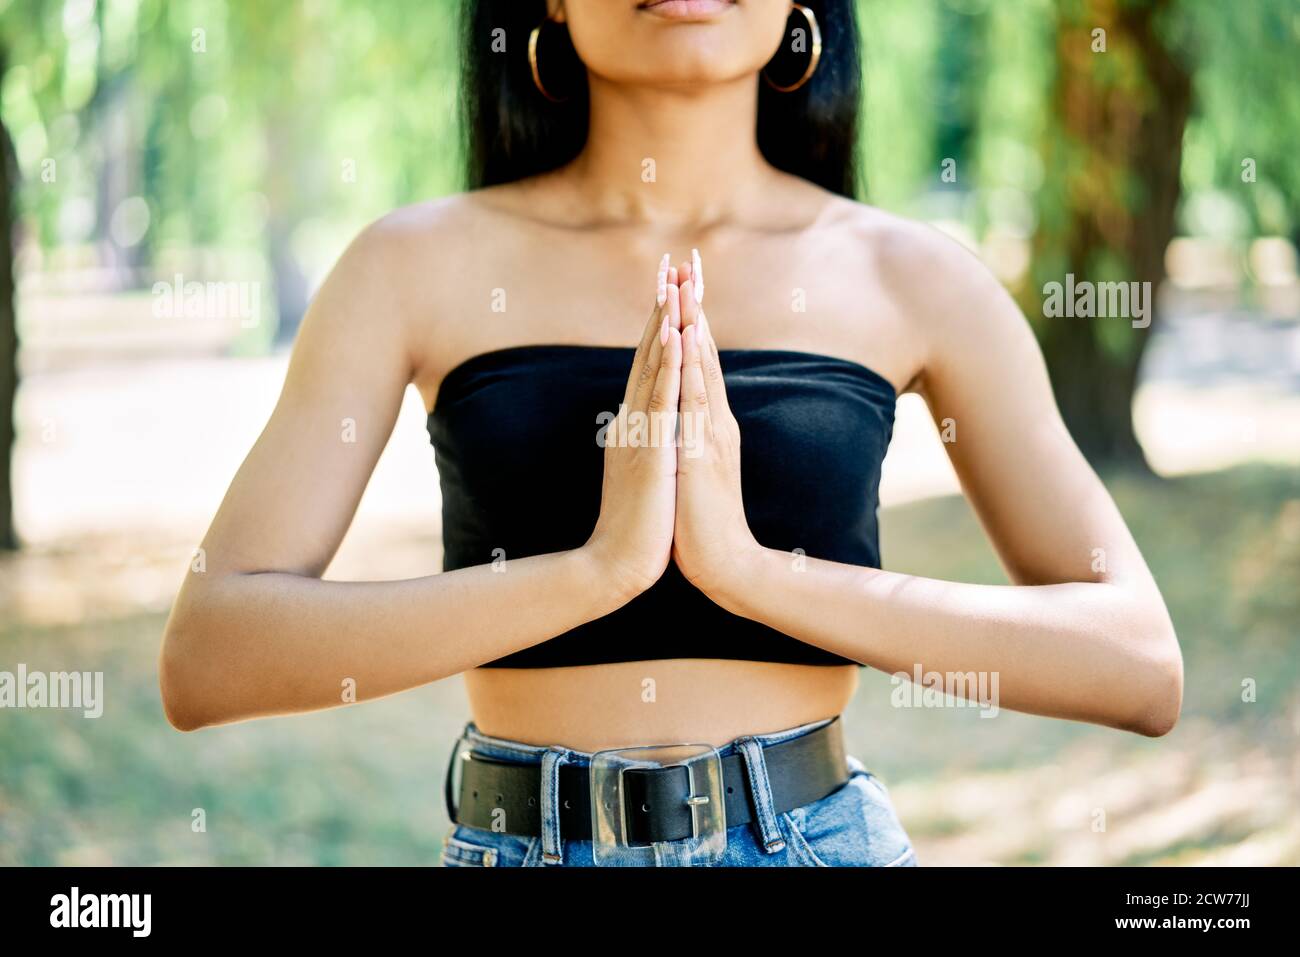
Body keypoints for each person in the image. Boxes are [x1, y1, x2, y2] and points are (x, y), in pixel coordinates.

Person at [158, 0, 1183, 868]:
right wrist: (597, 571)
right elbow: (212, 656)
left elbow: (1135, 664)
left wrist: (752, 573)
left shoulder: (913, 277)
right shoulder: (411, 265)